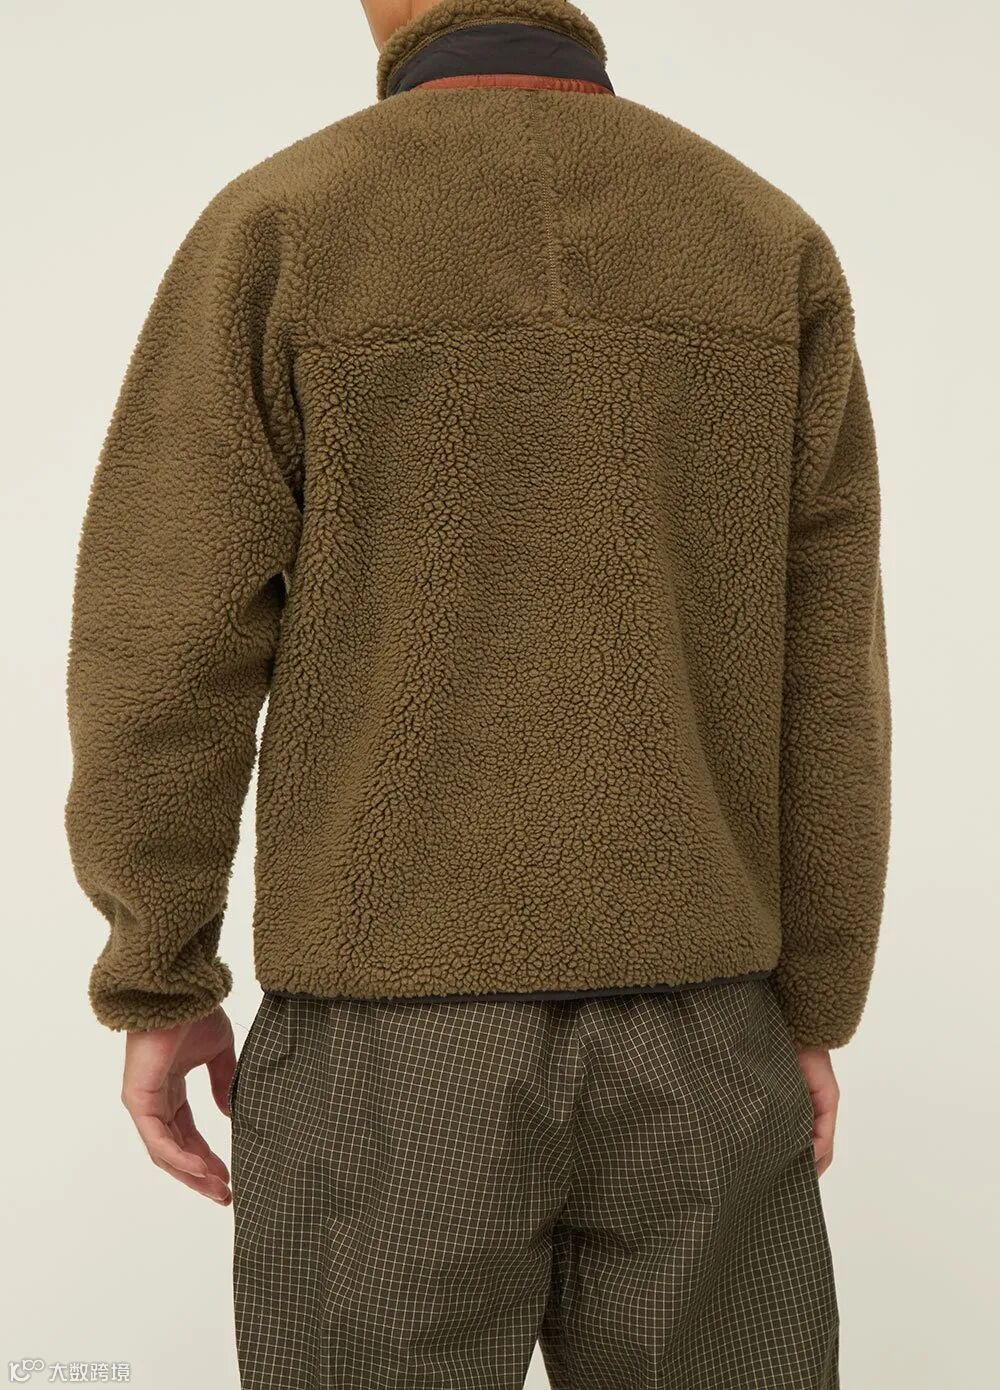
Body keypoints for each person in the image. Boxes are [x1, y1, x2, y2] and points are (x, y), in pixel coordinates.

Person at [63, 1, 891, 1385]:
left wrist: (159, 974)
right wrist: (809, 1004)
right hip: (703, 1029)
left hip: (385, 1038)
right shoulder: (763, 238)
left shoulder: (284, 226)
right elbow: (830, 683)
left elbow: (163, 644)